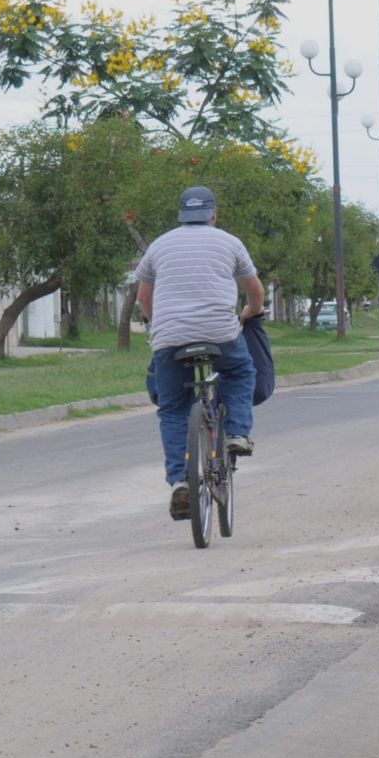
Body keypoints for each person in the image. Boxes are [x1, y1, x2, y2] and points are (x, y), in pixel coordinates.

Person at [136, 186, 265, 520]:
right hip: (220, 335)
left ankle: (180, 481)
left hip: (170, 339)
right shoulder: (230, 242)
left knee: (174, 408)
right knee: (240, 372)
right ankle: (236, 432)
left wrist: (158, 325)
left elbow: (144, 299)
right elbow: (255, 291)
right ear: (213, 214)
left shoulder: (159, 245)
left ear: (181, 215)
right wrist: (252, 311)